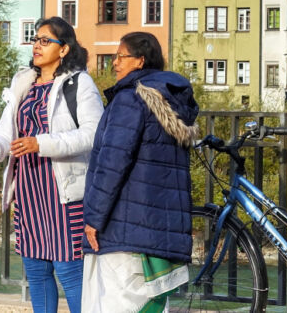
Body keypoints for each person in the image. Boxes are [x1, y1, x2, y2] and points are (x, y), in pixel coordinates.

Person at [0, 17, 103, 312]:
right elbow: (7, 128)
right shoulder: (24, 82)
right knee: (36, 272)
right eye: (35, 39)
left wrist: (40, 143)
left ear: (64, 49)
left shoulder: (79, 83)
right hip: (28, 191)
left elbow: (93, 133)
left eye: (45, 40)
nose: (37, 45)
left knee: (70, 274)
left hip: (63, 192)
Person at [82, 31, 199, 312]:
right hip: (158, 228)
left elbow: (112, 163)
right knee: (151, 302)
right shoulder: (172, 103)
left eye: (121, 56)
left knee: (114, 301)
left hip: (124, 225)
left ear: (140, 61)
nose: (115, 63)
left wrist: (94, 218)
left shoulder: (130, 99)